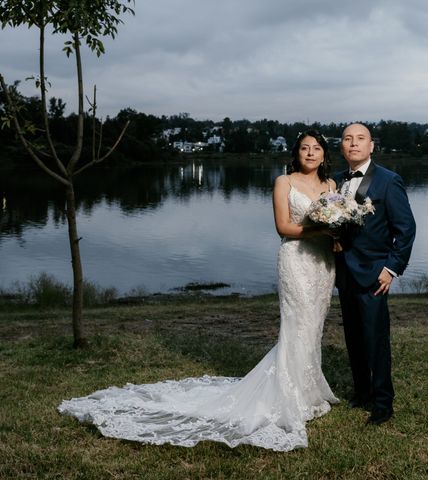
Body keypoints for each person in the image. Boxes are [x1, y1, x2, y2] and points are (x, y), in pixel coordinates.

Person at [58, 130, 339, 452]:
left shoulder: (331, 187)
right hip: (296, 259)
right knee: (297, 324)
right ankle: (288, 395)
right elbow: (283, 227)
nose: (310, 153)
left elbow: (336, 221)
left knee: (314, 325)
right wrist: (321, 227)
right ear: (296, 153)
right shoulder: (283, 182)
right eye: (305, 148)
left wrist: (337, 233)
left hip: (322, 262)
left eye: (316, 148)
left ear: (324, 155)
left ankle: (308, 389)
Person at [334, 123, 416, 426]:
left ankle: (383, 403)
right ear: (342, 147)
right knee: (353, 336)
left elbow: (406, 230)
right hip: (344, 272)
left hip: (374, 274)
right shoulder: (338, 183)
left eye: (360, 139)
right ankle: (362, 392)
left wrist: (391, 268)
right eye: (347, 139)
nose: (353, 144)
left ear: (371, 147)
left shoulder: (389, 181)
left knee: (375, 339)